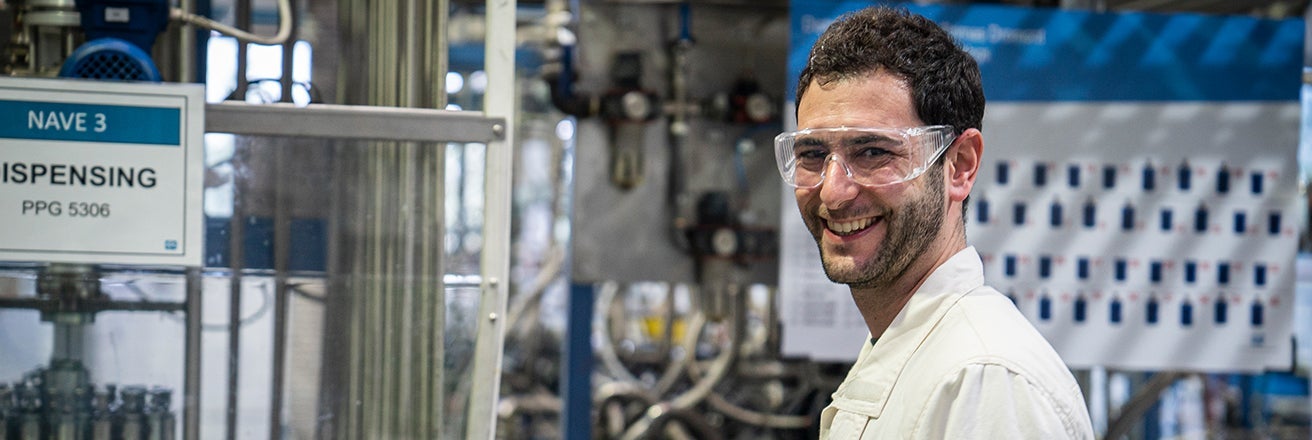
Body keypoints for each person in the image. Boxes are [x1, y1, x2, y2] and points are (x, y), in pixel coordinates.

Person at [776, 6, 1095, 439]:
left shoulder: (984, 382)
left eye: (873, 152)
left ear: (960, 165)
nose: (833, 192)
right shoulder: (916, 353)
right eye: (812, 155)